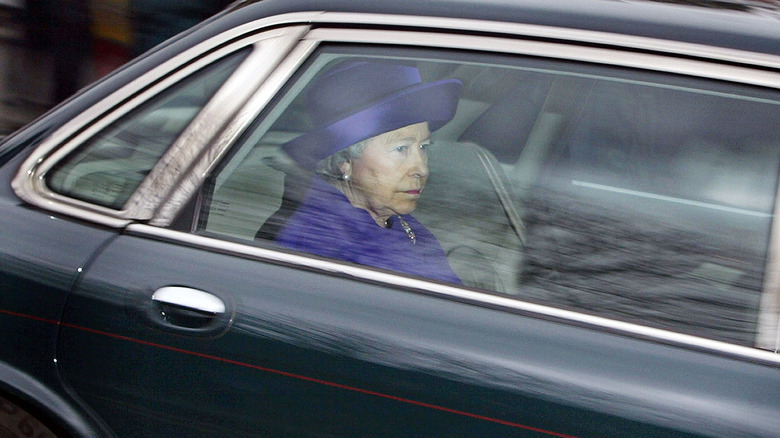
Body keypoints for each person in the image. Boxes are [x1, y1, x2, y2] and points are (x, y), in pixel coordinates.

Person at [271, 60, 463, 284]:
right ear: (346, 160)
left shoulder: (402, 224)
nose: (421, 169)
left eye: (423, 147)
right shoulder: (320, 243)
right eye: (401, 149)